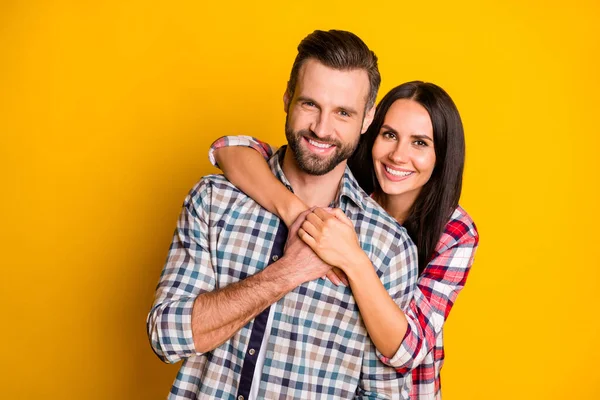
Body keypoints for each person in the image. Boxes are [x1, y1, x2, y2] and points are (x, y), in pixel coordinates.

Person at [147, 30, 419, 399]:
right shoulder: (215, 200)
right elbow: (166, 337)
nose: (322, 128)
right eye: (310, 104)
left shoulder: (387, 246)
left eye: (343, 112)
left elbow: (384, 393)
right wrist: (288, 272)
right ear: (288, 97)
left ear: (367, 118)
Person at [209, 81, 479, 399]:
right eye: (389, 135)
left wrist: (352, 258)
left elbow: (407, 349)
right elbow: (229, 150)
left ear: (442, 154)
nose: (398, 155)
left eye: (419, 143)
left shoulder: (456, 233)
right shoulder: (343, 183)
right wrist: (298, 213)